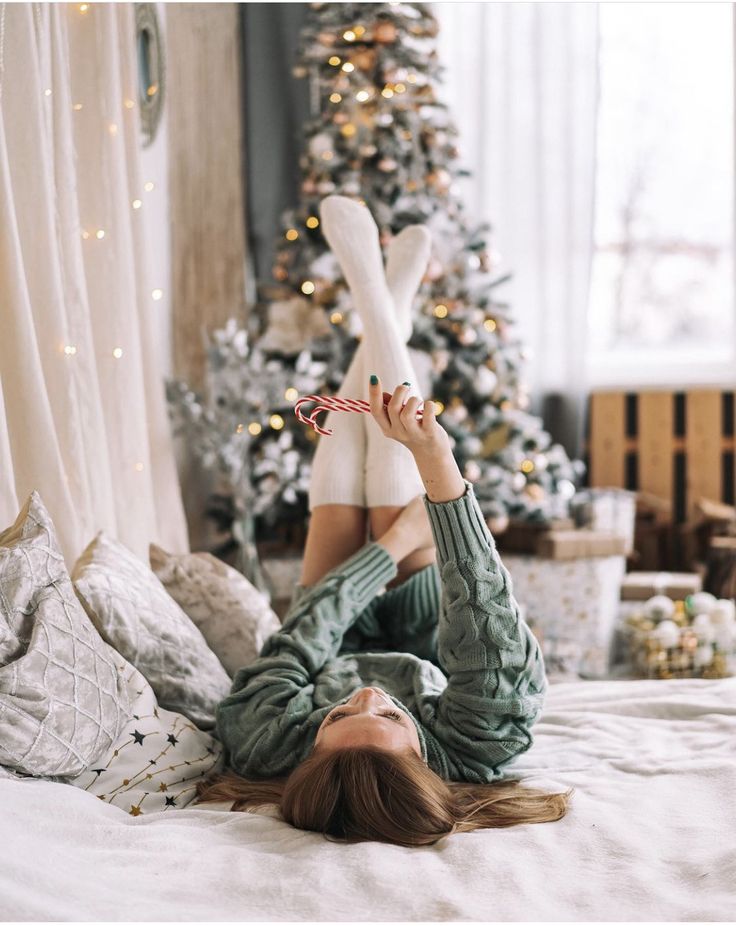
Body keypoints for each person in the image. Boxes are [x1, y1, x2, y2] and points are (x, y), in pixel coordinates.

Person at [195, 196, 573, 846]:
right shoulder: (486, 740)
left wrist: (394, 544)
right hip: (431, 636)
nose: (370, 693)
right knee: (396, 477)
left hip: (332, 639)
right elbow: (481, 604)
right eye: (391, 718)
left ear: (309, 748)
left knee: (345, 494)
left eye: (338, 713)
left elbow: (298, 639)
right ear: (423, 756)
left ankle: (382, 302)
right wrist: (436, 457)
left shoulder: (264, 743)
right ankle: (379, 300)